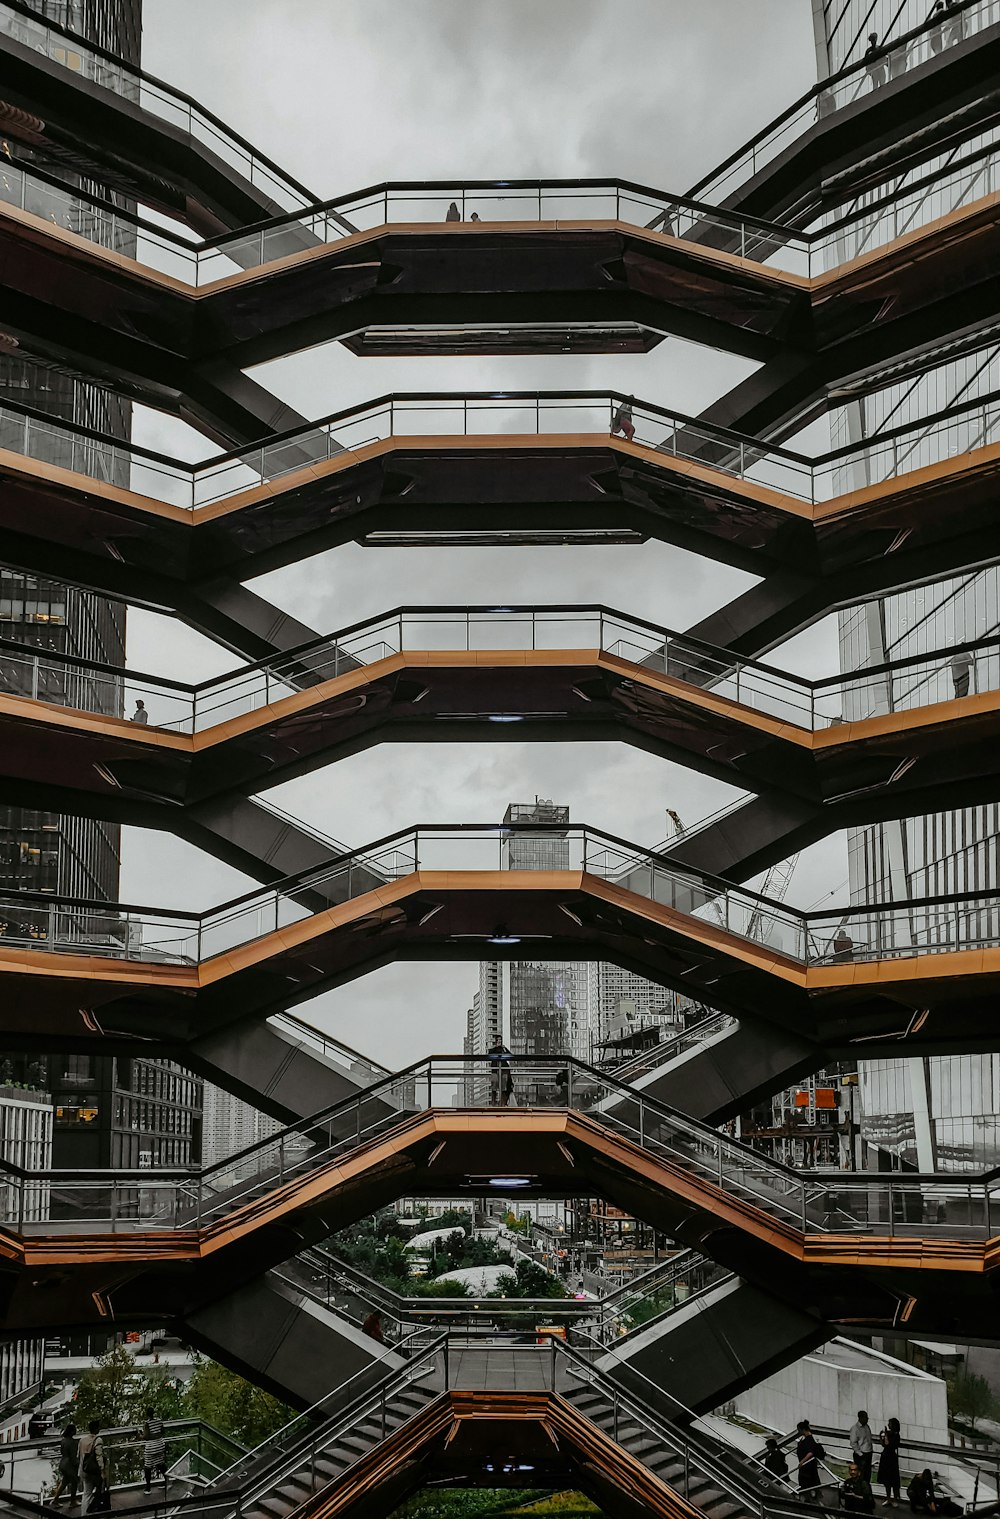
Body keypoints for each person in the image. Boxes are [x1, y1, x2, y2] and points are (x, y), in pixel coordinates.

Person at [77, 1420, 105, 1515]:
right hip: (94, 1472)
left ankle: (84, 1514)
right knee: (99, 1491)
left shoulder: (82, 1440)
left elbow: (79, 1455)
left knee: (86, 1494)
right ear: (96, 1429)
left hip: (84, 1471)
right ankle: (97, 1512)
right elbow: (99, 1457)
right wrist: (102, 1471)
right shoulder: (98, 1440)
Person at [50, 1423, 78, 1506]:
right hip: (69, 1465)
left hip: (63, 1463)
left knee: (64, 1481)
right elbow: (73, 1457)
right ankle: (73, 1501)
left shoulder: (63, 1440)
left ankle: (55, 1499)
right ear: (71, 1432)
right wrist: (77, 1464)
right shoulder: (72, 1442)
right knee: (74, 1482)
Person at [878, 1418, 902, 1506]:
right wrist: (881, 1437)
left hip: (891, 1457)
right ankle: (888, 1498)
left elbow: (888, 1444)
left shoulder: (896, 1435)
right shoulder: (889, 1433)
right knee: (887, 1479)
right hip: (886, 1456)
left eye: (890, 1423)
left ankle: (895, 1499)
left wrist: (885, 1436)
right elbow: (884, 1444)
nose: (888, 1425)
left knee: (893, 1479)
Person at [795, 1420, 824, 1491]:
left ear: (803, 1430)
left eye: (799, 1430)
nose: (799, 1432)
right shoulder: (807, 1439)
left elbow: (810, 1452)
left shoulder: (809, 1440)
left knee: (808, 1484)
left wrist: (802, 1462)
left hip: (807, 1467)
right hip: (806, 1466)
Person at [142, 1407, 166, 1491]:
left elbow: (146, 1437)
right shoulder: (159, 1421)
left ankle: (148, 1487)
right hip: (160, 1444)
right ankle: (167, 1480)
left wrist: (138, 1435)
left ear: (147, 1414)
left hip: (151, 1447)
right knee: (160, 1463)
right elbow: (162, 1432)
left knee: (147, 1466)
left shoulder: (147, 1424)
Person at [488, 1036, 513, 1107]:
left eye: (500, 1040)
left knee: (504, 1087)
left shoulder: (504, 1049)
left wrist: (504, 1048)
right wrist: (497, 1047)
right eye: (498, 1040)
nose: (499, 1041)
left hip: (504, 1071)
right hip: (495, 1070)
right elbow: (489, 1054)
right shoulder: (492, 1050)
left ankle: (503, 1103)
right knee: (494, 1087)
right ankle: (494, 1103)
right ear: (495, 1041)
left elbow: (510, 1055)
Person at [850, 1410, 875, 1483]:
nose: (867, 1419)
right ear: (860, 1418)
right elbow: (853, 1442)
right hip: (861, 1454)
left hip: (868, 1453)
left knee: (867, 1474)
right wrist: (860, 1453)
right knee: (861, 1474)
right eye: (865, 1417)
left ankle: (866, 1488)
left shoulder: (867, 1427)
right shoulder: (855, 1428)